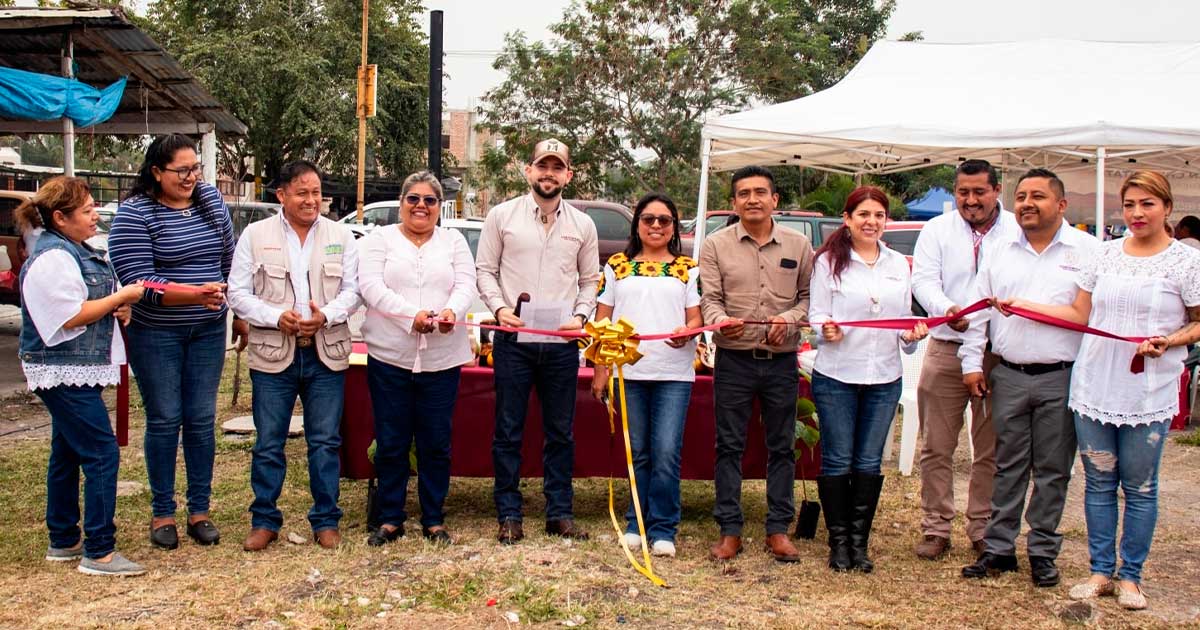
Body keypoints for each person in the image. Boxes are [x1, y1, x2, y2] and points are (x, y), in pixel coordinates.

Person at [1001, 170, 1200, 610]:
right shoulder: (1104, 254)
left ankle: (1131, 577)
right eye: (1129, 205)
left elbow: (1197, 320)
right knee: (1098, 482)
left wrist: (1170, 340)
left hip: (1147, 389)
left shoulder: (1186, 262)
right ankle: (1100, 570)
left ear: (1166, 208)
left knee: (1140, 486)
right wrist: (1024, 305)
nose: (1137, 213)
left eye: (1147, 204)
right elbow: (1079, 314)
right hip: (1094, 385)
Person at [958, 169, 1099, 587]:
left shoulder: (1088, 251)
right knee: (1008, 465)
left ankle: (1042, 552)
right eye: (1020, 197)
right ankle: (999, 548)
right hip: (1009, 374)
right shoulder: (999, 249)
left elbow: (1092, 315)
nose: (1026, 204)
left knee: (1053, 469)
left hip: (1062, 377)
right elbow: (979, 311)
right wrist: (971, 364)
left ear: (1061, 205)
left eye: (1038, 196)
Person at [227, 160, 361, 551]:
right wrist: (274, 317)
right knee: (269, 442)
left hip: (326, 353)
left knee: (325, 442)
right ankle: (264, 520)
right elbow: (238, 293)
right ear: (281, 195)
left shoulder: (341, 235)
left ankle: (326, 520)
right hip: (274, 353)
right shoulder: (255, 235)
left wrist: (326, 316)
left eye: (316, 192)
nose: (311, 200)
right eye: (302, 192)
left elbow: (354, 291)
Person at [108, 134, 233, 550]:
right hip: (156, 333)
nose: (191, 177)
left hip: (208, 330)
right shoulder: (134, 214)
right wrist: (195, 293)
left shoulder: (210, 200)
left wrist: (222, 297)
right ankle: (163, 511)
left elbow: (228, 259)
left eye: (195, 168)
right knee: (165, 418)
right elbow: (140, 283)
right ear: (156, 172)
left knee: (200, 419)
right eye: (181, 171)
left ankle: (200, 510)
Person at [17, 177, 146, 577]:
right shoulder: (53, 258)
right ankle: (99, 550)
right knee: (101, 451)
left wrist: (117, 307)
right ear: (60, 217)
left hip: (74, 367)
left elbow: (90, 303)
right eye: (87, 210)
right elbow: (70, 315)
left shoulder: (72, 250)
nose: (95, 216)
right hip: (61, 368)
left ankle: (63, 538)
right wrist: (121, 297)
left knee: (68, 450)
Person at [476, 139, 600, 544]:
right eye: (542, 166)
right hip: (513, 340)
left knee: (561, 432)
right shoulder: (502, 216)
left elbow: (590, 280)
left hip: (561, 344)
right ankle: (509, 513)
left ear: (568, 175)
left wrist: (580, 317)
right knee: (508, 430)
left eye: (557, 167)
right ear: (528, 171)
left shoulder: (582, 225)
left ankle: (559, 512)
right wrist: (499, 309)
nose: (549, 174)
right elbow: (485, 270)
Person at [808, 186, 928, 573]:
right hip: (837, 374)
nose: (871, 222)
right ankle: (838, 542)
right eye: (863, 214)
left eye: (878, 215)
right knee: (838, 458)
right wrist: (825, 330)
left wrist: (910, 334)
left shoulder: (898, 264)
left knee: (869, 461)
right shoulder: (828, 262)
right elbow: (816, 314)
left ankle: (859, 543)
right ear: (847, 219)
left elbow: (902, 318)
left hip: (884, 375)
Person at [699, 165, 814, 563]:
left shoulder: (799, 244)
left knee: (781, 446)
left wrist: (790, 319)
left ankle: (778, 529)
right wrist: (719, 321)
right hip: (734, 360)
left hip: (781, 363)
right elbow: (710, 299)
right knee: (728, 445)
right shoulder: (715, 245)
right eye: (744, 193)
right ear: (734, 202)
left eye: (760, 192)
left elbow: (808, 298)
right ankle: (730, 530)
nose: (752, 199)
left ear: (774, 199)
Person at [358, 171, 476, 547]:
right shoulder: (379, 240)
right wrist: (412, 316)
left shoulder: (453, 241)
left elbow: (466, 284)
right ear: (401, 203)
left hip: (442, 358)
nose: (421, 206)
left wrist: (452, 311)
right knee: (391, 440)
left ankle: (434, 518)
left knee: (435, 441)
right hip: (390, 356)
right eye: (413, 198)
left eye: (429, 200)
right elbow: (371, 287)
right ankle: (391, 517)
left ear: (439, 207)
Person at [910, 158, 1019, 560]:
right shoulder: (937, 230)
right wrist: (946, 309)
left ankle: (982, 527)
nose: (970, 200)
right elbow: (923, 281)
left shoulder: (1016, 232)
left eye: (979, 192)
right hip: (946, 348)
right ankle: (936, 526)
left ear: (996, 191)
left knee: (990, 449)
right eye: (963, 192)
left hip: (997, 353)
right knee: (936, 446)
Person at [589, 192, 702, 558]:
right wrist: (600, 370)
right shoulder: (617, 266)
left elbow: (696, 318)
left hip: (674, 373)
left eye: (664, 220)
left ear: (674, 228)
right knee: (637, 451)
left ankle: (664, 527)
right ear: (636, 224)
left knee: (666, 452)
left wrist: (688, 332)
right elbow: (603, 320)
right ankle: (636, 522)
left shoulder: (688, 268)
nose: (656, 225)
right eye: (648, 219)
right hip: (628, 373)